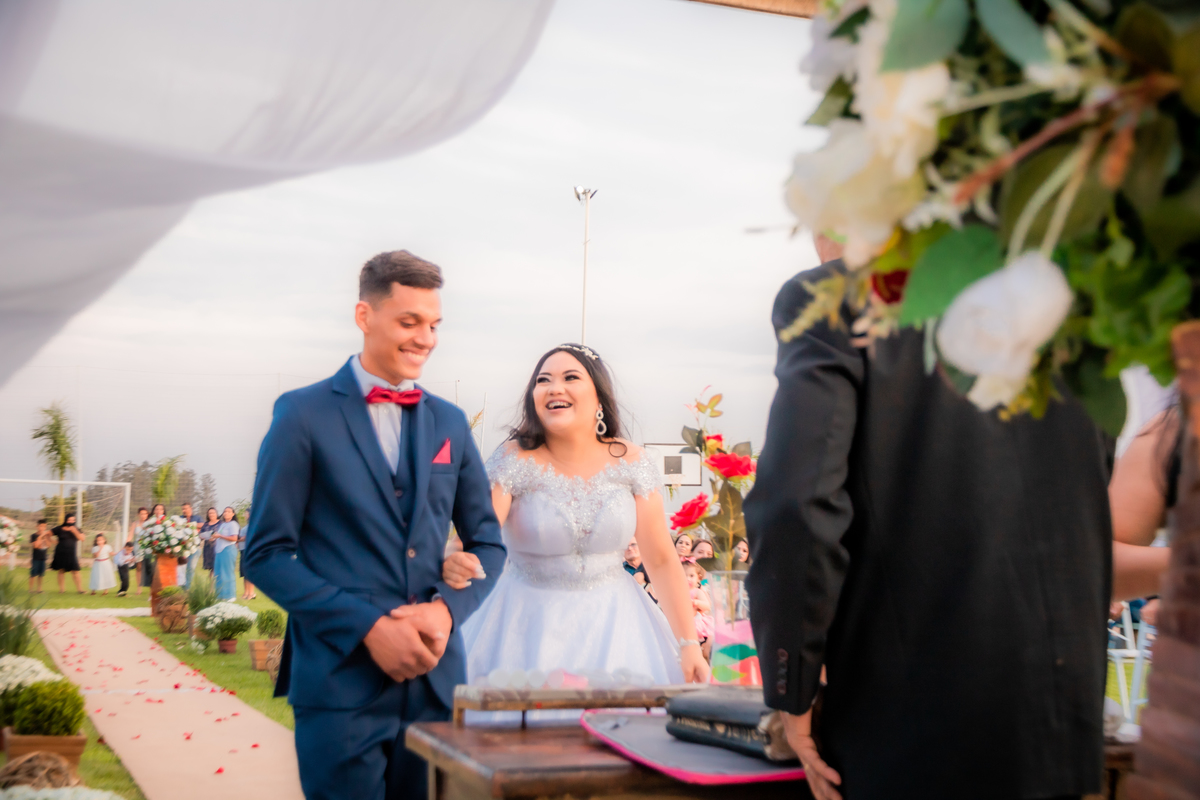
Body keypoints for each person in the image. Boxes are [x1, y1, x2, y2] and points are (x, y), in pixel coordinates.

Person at [744, 236, 1110, 800]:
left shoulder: (836, 299)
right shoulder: (1075, 306)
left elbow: (800, 505)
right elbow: (1090, 484)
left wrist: (792, 690)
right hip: (1058, 721)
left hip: (904, 725)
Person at [244, 250, 506, 800]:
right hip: (340, 683)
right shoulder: (302, 414)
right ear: (365, 316)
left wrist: (445, 611)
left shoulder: (450, 421)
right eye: (409, 322)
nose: (425, 339)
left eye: (434, 325)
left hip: (435, 685)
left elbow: (489, 544)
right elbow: (266, 555)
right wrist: (370, 627)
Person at [443, 344, 710, 704]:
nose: (555, 388)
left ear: (598, 396)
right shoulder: (513, 458)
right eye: (543, 380)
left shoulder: (632, 462)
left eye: (570, 377)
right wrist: (453, 561)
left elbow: (662, 560)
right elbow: (476, 537)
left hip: (618, 629)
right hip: (523, 627)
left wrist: (689, 645)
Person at [50, 513, 85, 593]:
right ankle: (62, 590)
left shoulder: (77, 529)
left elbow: (82, 538)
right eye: (69, 520)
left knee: (75, 571)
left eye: (73, 520)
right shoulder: (59, 528)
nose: (71, 521)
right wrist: (53, 541)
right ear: (66, 520)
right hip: (60, 553)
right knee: (61, 571)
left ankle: (80, 589)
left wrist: (75, 531)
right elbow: (48, 534)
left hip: (71, 554)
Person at [212, 507, 240, 601]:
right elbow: (219, 535)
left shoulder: (233, 524)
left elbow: (234, 538)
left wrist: (220, 536)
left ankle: (230, 595)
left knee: (227, 573)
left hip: (228, 550)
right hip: (219, 551)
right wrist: (214, 537)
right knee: (218, 573)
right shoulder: (223, 524)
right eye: (224, 511)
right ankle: (220, 595)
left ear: (233, 514)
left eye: (228, 512)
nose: (226, 513)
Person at [179, 502, 202, 588]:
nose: (184, 510)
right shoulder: (180, 518)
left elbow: (202, 525)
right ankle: (181, 587)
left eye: (186, 508)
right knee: (181, 568)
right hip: (182, 548)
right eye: (183, 509)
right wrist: (193, 527)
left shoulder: (197, 518)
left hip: (195, 548)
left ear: (190, 508)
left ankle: (187, 587)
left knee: (191, 568)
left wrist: (187, 525)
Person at [130, 507, 151, 596]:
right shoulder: (135, 524)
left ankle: (151, 588)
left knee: (149, 567)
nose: (143, 515)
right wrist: (126, 545)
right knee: (139, 567)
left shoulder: (150, 524)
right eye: (141, 514)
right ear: (138, 514)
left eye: (145, 514)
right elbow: (130, 536)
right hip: (138, 547)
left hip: (148, 547)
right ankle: (139, 588)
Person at [239, 510, 256, 600]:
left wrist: (240, 539)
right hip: (242, 550)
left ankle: (251, 593)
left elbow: (250, 536)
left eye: (247, 513)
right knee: (244, 572)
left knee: (249, 572)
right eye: (245, 514)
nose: (246, 515)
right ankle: (246, 592)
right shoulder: (246, 525)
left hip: (249, 550)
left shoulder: (254, 524)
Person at [28, 519, 49, 593]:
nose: (42, 528)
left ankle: (39, 589)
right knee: (33, 574)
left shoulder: (46, 536)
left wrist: (45, 537)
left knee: (41, 575)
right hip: (36, 558)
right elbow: (36, 546)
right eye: (41, 526)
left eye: (44, 526)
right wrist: (40, 537)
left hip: (43, 558)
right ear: (37, 526)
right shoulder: (33, 536)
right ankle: (31, 589)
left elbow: (48, 545)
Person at [199, 507, 220, 572]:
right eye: (210, 513)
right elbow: (200, 534)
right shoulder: (205, 524)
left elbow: (223, 533)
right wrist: (202, 536)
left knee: (217, 566)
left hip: (218, 547)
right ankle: (211, 578)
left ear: (216, 514)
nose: (211, 514)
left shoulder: (221, 523)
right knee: (211, 568)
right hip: (208, 548)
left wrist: (215, 536)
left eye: (213, 513)